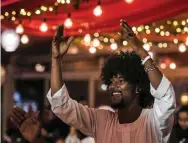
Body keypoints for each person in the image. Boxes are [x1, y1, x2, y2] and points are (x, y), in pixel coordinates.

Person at [9, 20, 176, 143]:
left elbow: (165, 95)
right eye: (111, 81)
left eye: (121, 80)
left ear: (138, 87)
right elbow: (62, 105)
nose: (113, 86)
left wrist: (141, 52)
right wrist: (56, 60)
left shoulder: (154, 120)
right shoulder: (101, 120)